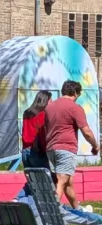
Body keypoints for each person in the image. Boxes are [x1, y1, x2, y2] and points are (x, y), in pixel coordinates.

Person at [43, 80, 100, 208]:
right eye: (78, 95)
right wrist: (95, 146)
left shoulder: (50, 106)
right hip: (66, 148)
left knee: (68, 181)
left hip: (51, 148)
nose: (77, 98)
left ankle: (77, 209)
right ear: (75, 92)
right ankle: (53, 211)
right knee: (61, 180)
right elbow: (87, 132)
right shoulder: (74, 108)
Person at [21, 90, 51, 171]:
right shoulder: (42, 114)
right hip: (36, 151)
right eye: (50, 100)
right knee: (44, 181)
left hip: (25, 150)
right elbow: (41, 134)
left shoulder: (27, 113)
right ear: (45, 101)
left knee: (32, 180)